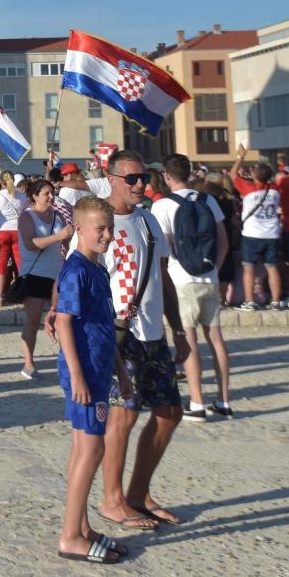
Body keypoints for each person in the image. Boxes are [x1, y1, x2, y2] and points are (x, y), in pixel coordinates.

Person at [91, 151, 188, 533]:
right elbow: (88, 281)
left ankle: (138, 493)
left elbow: (163, 279)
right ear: (111, 178)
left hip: (153, 333)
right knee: (124, 414)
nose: (139, 184)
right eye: (130, 178)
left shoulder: (148, 219)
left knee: (169, 412)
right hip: (120, 331)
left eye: (143, 177)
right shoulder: (100, 224)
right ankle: (111, 500)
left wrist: (177, 329)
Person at [53, 196, 130, 565]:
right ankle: (70, 536)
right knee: (93, 449)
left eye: (111, 228)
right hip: (82, 370)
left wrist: (122, 372)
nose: (108, 235)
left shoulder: (98, 270)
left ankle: (80, 526)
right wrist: (79, 376)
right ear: (79, 228)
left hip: (99, 368)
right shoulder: (76, 270)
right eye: (101, 229)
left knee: (83, 449)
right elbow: (65, 322)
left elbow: (103, 324)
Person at [150, 154, 232, 420]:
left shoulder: (162, 205)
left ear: (166, 175)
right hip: (209, 277)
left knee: (189, 340)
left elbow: (164, 248)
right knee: (216, 340)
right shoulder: (208, 200)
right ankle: (224, 400)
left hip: (181, 279)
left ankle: (197, 402)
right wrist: (214, 270)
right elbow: (223, 242)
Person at [16, 180, 70, 378]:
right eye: (46, 193)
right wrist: (59, 237)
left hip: (57, 273)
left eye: (52, 192)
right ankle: (28, 363)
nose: (51, 197)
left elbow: (65, 240)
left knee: (64, 319)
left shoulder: (57, 216)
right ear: (34, 196)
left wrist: (69, 235)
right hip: (35, 274)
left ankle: (67, 360)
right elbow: (31, 244)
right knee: (32, 320)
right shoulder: (26, 217)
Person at [228, 145, 283, 310]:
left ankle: (250, 301)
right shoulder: (275, 190)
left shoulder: (248, 189)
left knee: (249, 267)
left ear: (253, 176)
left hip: (252, 234)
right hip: (272, 233)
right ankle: (275, 301)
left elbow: (232, 175)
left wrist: (240, 157)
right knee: (273, 268)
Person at [0, 171, 25, 302]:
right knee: (21, 262)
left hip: (0, 231)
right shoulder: (21, 195)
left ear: (0, 181)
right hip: (18, 230)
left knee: (0, 263)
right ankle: (24, 293)